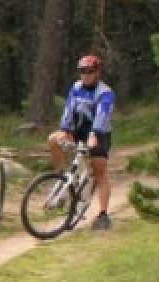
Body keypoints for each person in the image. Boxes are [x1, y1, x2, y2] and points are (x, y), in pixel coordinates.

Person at [49, 53, 116, 230]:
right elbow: (69, 108)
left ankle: (103, 214)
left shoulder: (105, 92)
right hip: (78, 130)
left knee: (99, 172)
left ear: (97, 72)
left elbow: (102, 115)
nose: (85, 75)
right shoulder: (76, 87)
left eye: (89, 71)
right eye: (82, 71)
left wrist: (94, 134)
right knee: (53, 140)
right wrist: (64, 129)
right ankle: (61, 178)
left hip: (98, 133)